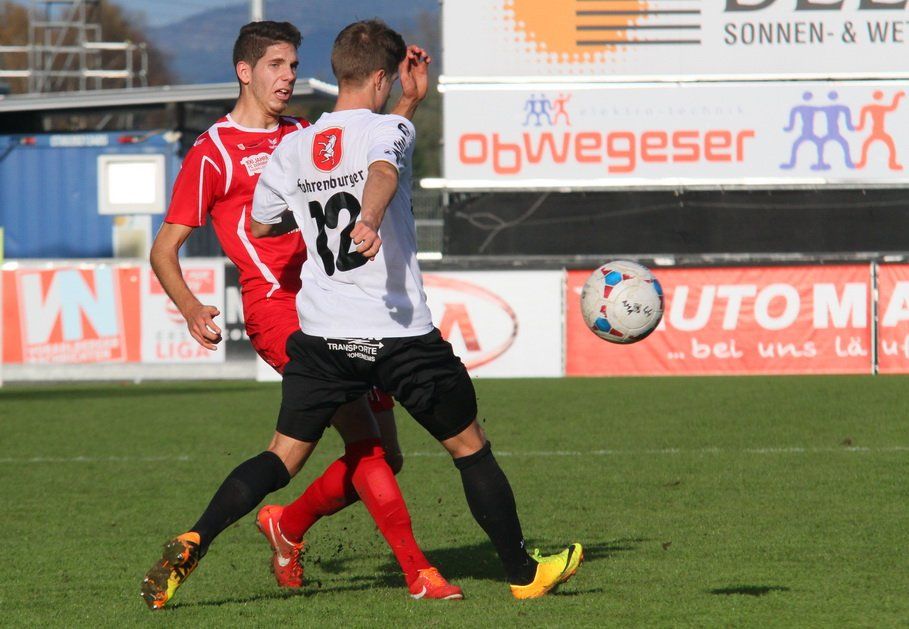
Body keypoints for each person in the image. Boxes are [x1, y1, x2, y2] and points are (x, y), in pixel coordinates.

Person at [251, 19, 583, 600]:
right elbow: (382, 166)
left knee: (323, 454)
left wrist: (405, 106)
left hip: (329, 335)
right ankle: (522, 575)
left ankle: (219, 533)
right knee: (468, 447)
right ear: (382, 77)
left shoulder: (299, 145)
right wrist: (370, 216)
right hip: (400, 332)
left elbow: (262, 223)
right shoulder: (387, 132)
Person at [140, 21, 462, 610]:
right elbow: (164, 250)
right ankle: (419, 572)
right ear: (245, 72)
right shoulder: (213, 152)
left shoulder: (303, 135)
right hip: (279, 313)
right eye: (277, 65)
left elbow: (378, 155)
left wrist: (408, 101)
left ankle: (285, 525)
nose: (289, 77)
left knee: (385, 455)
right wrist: (189, 306)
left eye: (293, 65)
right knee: (365, 440)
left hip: (338, 304)